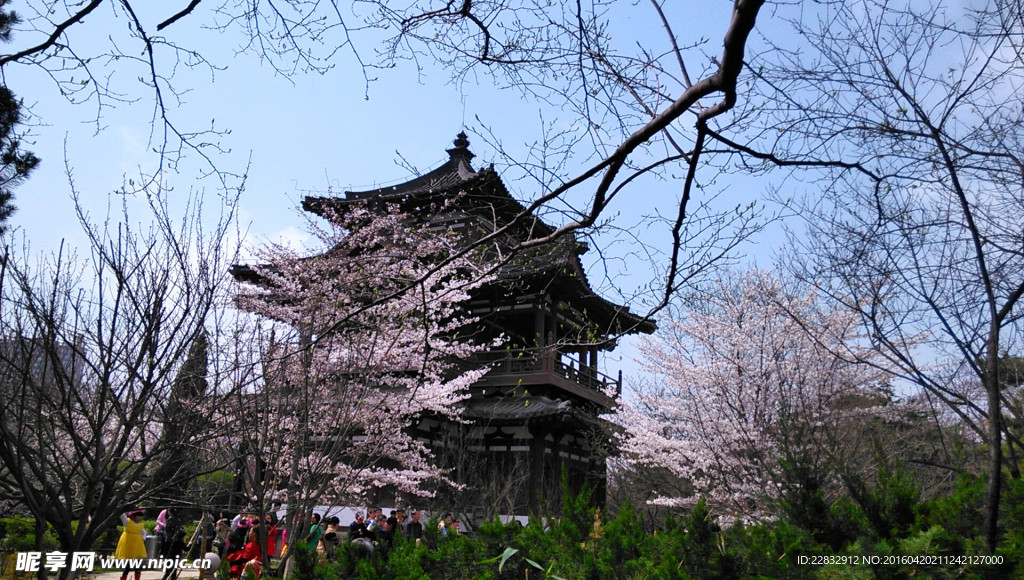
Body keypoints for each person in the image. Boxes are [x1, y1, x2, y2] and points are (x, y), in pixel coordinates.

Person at [114, 510, 147, 580]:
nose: (140, 518)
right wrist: (123, 507)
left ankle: (137, 577)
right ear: (133, 516)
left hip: (137, 546)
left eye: (141, 517)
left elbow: (144, 532)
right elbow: (121, 515)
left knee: (138, 565)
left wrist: (143, 538)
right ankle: (124, 577)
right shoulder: (127, 522)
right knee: (128, 565)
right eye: (139, 516)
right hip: (128, 545)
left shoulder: (141, 525)